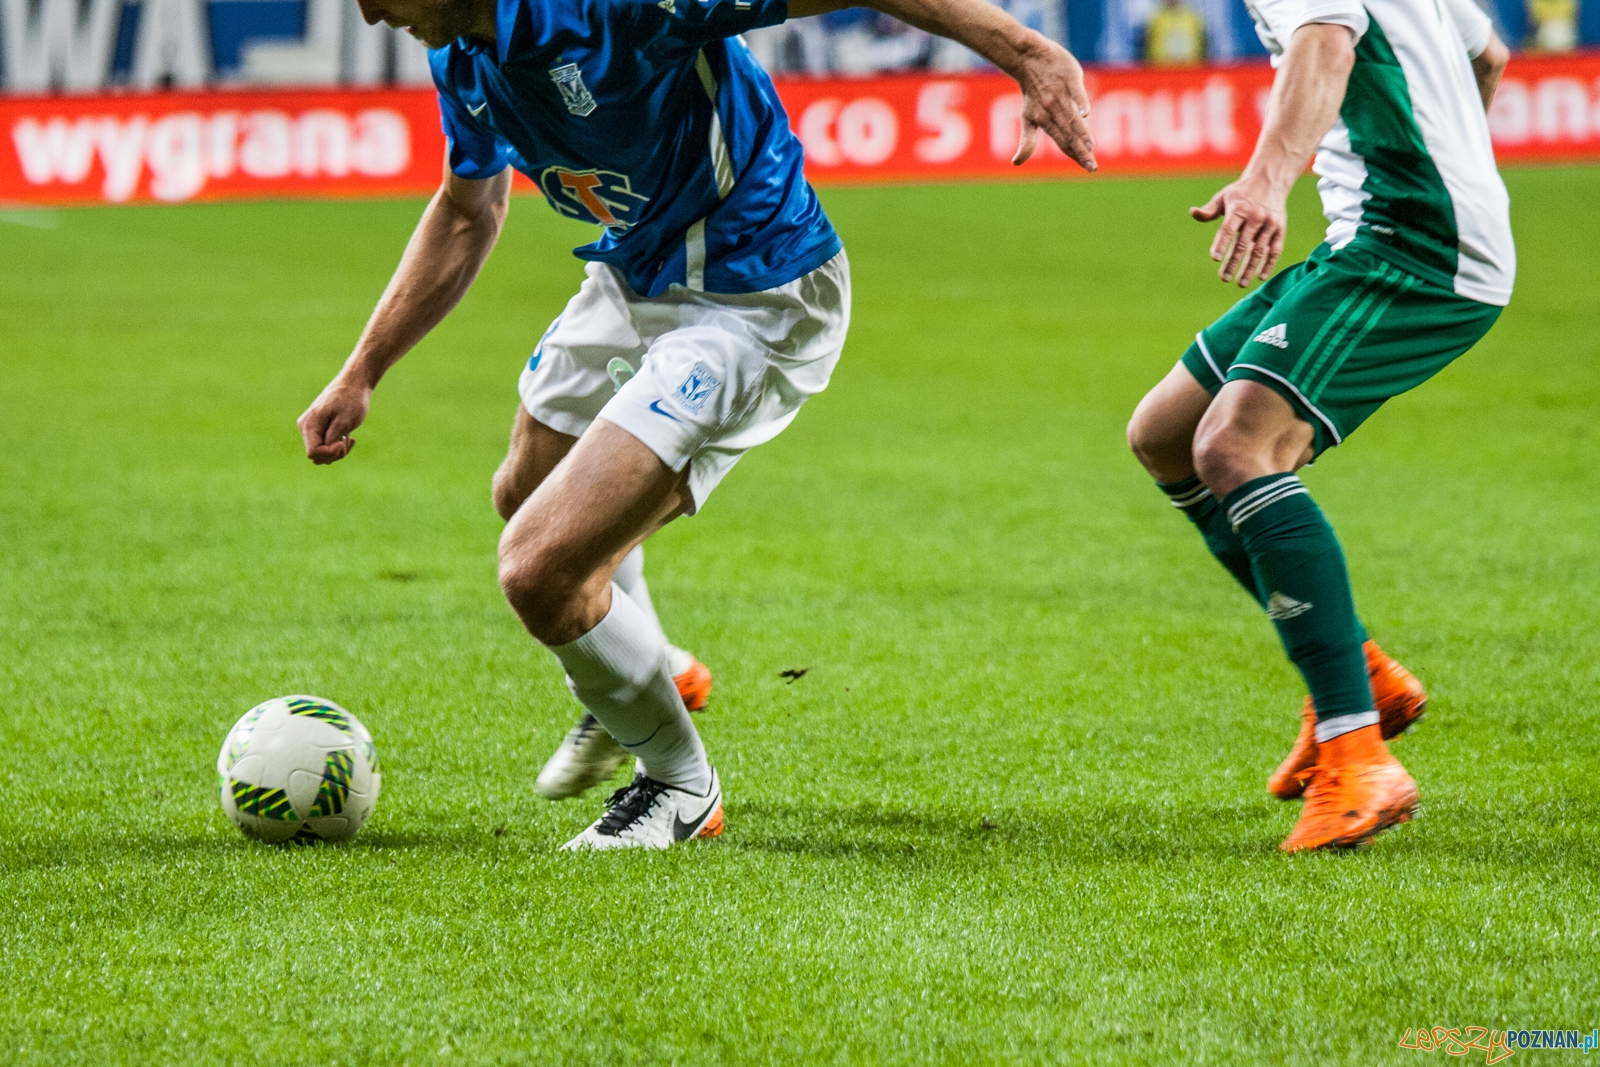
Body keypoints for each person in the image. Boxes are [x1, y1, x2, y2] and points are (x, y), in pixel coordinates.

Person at [297, 0, 1096, 849]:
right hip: (639, 274)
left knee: (539, 569)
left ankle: (679, 785)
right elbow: (468, 209)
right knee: (524, 488)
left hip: (756, 294)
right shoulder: (462, 49)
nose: (374, 16)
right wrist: (364, 369)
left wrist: (1027, 51)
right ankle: (650, 664)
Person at [1125, 0, 1512, 851]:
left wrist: (1266, 178)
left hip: (1413, 240)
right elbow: (1491, 56)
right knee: (1164, 434)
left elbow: (1325, 42)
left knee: (1236, 445)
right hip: (1379, 229)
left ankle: (1355, 750)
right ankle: (1361, 674)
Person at [1144, 0, 1206, 66]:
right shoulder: (1154, 18)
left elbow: (1203, 49)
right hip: (1161, 71)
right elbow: (1147, 47)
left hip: (1190, 71)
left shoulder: (1194, 18)